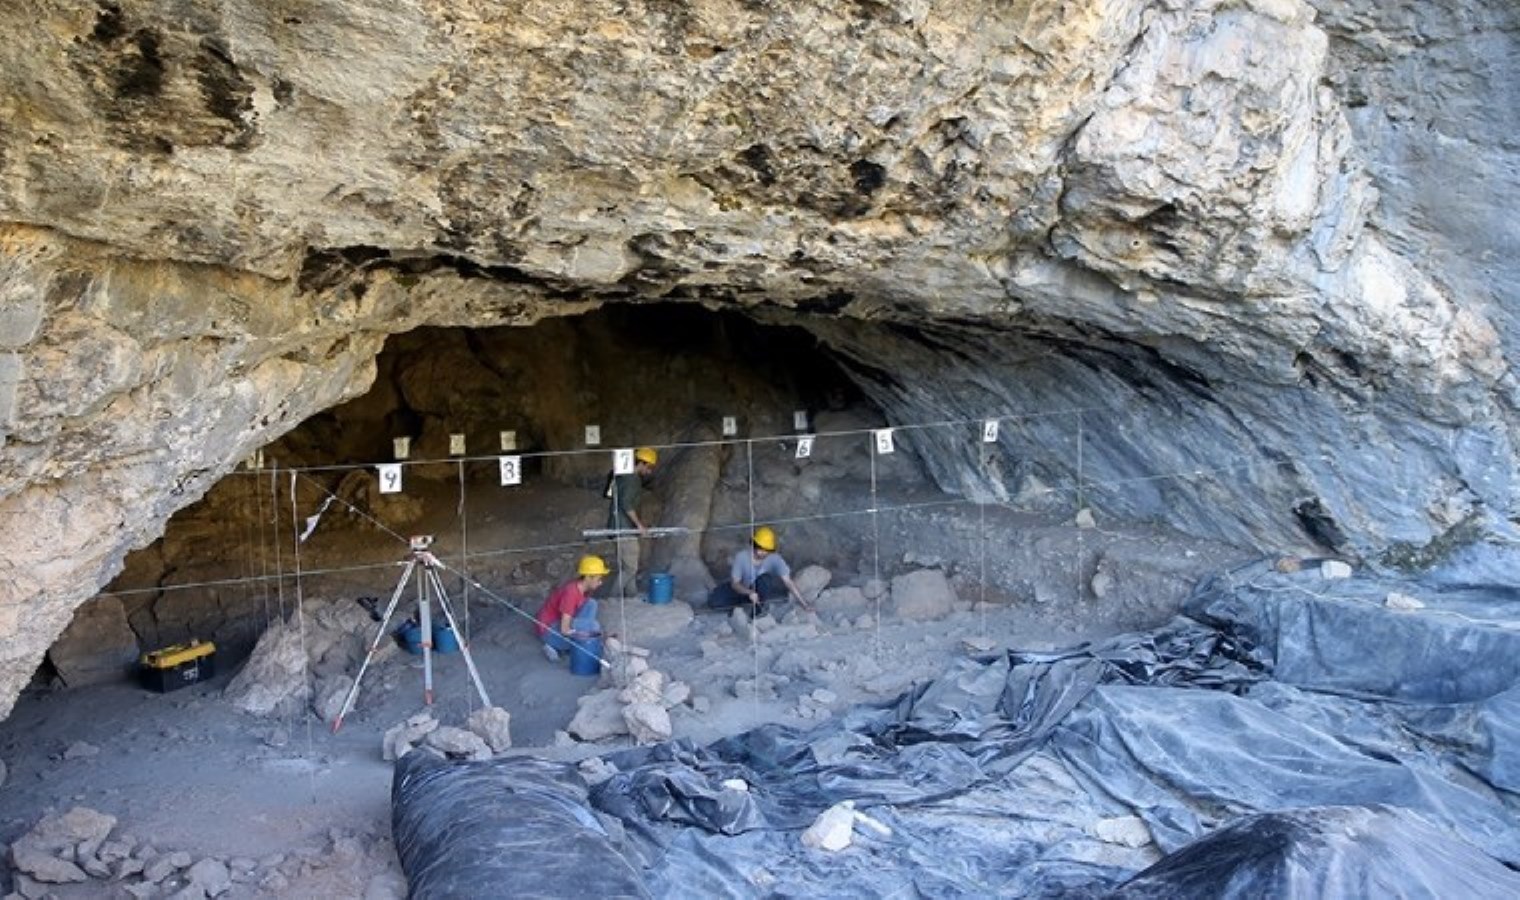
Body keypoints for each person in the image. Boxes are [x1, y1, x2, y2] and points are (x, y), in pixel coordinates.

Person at [707, 526, 807, 617]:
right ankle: (740, 606)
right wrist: (749, 592)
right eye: (760, 548)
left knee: (765, 579)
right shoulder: (741, 557)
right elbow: (735, 584)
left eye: (766, 549)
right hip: (743, 589)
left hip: (759, 594)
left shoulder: (775, 559)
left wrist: (805, 604)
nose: (763, 552)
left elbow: (788, 582)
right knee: (715, 602)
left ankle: (757, 611)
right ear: (754, 544)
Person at [605, 446, 657, 598]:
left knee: (628, 567)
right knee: (630, 569)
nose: (650, 472)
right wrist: (640, 525)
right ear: (641, 463)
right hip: (624, 528)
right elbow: (626, 504)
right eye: (649, 467)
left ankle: (631, 597)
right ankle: (612, 598)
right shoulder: (632, 479)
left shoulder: (622, 476)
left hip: (617, 526)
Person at [535, 555, 608, 662]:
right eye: (599, 579)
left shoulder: (582, 589)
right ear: (588, 577)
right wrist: (598, 634)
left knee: (592, 604)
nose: (600, 582)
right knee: (593, 626)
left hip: (560, 622)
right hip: (549, 631)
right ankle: (553, 646)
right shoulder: (571, 592)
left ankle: (577, 643)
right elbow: (564, 629)